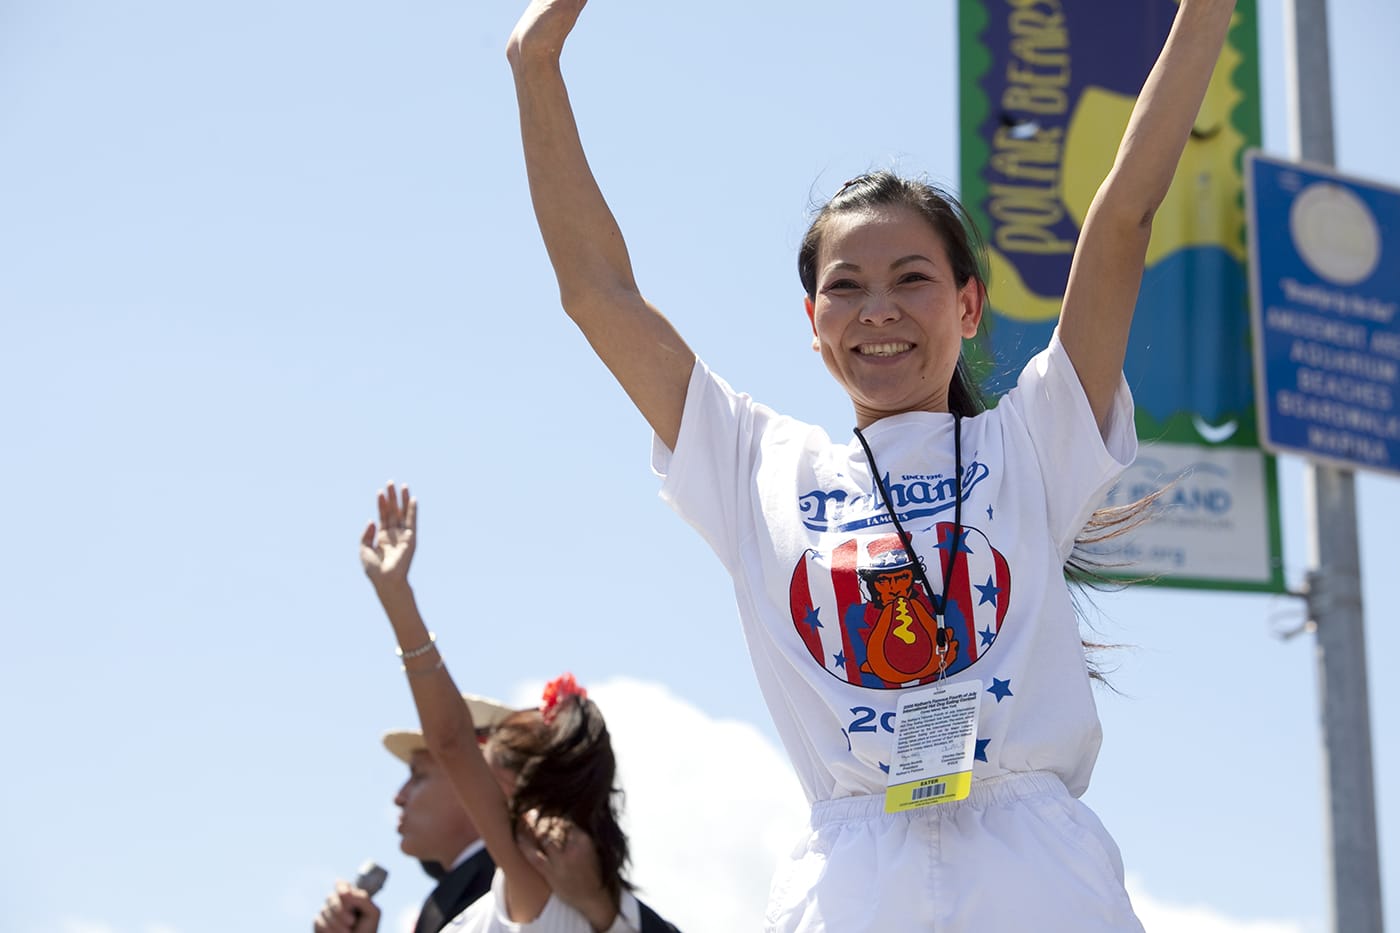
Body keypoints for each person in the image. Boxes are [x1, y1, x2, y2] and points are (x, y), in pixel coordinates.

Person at [504, 0, 1237, 929]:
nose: (878, 309)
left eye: (912, 280)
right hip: (852, 879)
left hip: (1036, 877)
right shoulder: (753, 466)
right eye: (843, 288)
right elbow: (597, 293)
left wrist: (1205, 14)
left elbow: (1122, 218)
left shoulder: (1033, 439)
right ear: (812, 328)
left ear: (970, 306)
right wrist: (536, 68)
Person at [356, 483, 674, 932]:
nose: (473, 767)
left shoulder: (534, 880)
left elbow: (449, 740)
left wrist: (397, 597)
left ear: (517, 789)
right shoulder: (608, 907)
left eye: (487, 759)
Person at [311, 694, 515, 933]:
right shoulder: (475, 885)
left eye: (418, 776)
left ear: (475, 780)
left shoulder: (500, 886)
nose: (399, 797)